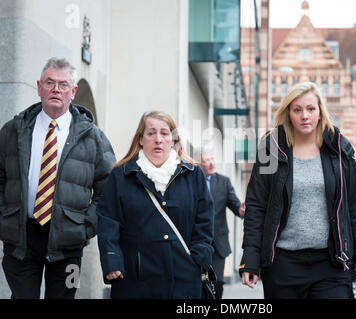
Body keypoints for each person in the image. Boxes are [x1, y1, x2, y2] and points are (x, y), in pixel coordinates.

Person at [240, 82, 356, 299]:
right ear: (288, 114)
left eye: (311, 109)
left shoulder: (339, 150)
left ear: (320, 112)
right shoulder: (270, 149)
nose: (305, 116)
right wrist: (250, 259)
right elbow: (256, 208)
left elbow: (355, 208)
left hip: (332, 263)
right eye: (297, 110)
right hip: (283, 264)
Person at [0, 57, 116, 299]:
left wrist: (84, 228)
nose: (56, 89)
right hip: (22, 238)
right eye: (49, 82)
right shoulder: (14, 130)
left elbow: (109, 191)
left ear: (73, 92)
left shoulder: (93, 138)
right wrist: (4, 217)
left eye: (63, 85)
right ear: (39, 86)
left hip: (68, 241)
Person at [96, 110, 214, 299]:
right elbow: (108, 222)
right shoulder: (121, 176)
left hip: (184, 278)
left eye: (164, 133)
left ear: (173, 140)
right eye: (151, 133)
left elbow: (204, 222)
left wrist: (199, 259)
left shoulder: (193, 175)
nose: (158, 139)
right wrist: (112, 261)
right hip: (135, 280)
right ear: (141, 139)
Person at [200, 151, 245, 299]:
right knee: (199, 282)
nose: (212, 163)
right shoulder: (193, 181)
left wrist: (242, 210)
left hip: (218, 244)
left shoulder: (224, 182)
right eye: (207, 160)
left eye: (213, 158)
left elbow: (236, 206)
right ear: (199, 163)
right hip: (196, 242)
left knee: (216, 282)